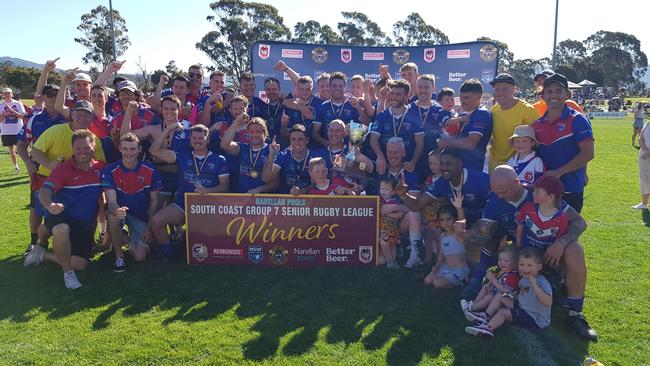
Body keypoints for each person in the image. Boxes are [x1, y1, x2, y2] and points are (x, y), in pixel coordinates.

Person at [462, 165, 597, 340]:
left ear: (517, 182)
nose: (499, 196)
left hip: (551, 256)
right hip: (524, 258)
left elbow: (579, 222)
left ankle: (575, 315)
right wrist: (463, 231)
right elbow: (483, 235)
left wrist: (561, 242)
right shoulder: (495, 201)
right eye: (495, 192)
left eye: (503, 191)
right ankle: (481, 282)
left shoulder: (539, 193)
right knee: (494, 233)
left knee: (575, 249)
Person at [24, 129, 105, 289]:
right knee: (61, 229)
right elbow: (44, 192)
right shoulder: (63, 169)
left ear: (94, 147)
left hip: (82, 224)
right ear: (72, 148)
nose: (82, 152)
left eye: (86, 148)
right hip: (61, 215)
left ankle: (42, 254)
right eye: (78, 148)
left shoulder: (101, 168)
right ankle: (68, 274)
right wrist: (50, 205)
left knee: (80, 264)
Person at [148, 124, 229, 262]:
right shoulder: (182, 156)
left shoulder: (219, 159)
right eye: (194, 138)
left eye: (201, 138)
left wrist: (208, 191)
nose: (197, 141)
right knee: (156, 221)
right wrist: (168, 130)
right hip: (184, 203)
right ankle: (168, 253)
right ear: (190, 139)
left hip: (208, 207)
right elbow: (154, 150)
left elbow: (225, 186)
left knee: (199, 244)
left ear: (208, 139)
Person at [531, 73, 594, 213]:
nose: (554, 95)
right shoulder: (535, 125)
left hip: (570, 189)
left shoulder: (578, 120)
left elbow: (588, 153)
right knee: (543, 232)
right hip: (544, 190)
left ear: (568, 94)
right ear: (543, 96)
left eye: (559, 91)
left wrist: (560, 172)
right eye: (549, 91)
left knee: (568, 232)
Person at [16, 85, 66, 254]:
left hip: (64, 173)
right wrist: (29, 163)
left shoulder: (67, 117)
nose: (53, 98)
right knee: (35, 208)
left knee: (59, 206)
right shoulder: (34, 119)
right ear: (43, 97)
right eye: (50, 95)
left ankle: (56, 239)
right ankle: (34, 242)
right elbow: (22, 144)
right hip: (40, 173)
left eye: (57, 95)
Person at [102, 133, 162, 271]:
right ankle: (119, 257)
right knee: (113, 216)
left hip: (141, 215)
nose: (129, 153)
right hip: (120, 212)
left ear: (139, 149)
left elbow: (154, 202)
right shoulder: (109, 170)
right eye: (125, 149)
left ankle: (121, 236)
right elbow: (111, 201)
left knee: (140, 257)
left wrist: (148, 227)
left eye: (132, 149)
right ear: (120, 149)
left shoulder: (150, 170)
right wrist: (117, 210)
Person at [464, 247, 552, 338]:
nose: (525, 269)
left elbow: (548, 302)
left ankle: (488, 328)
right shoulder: (523, 279)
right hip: (522, 306)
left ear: (539, 267)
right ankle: (485, 316)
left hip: (534, 317)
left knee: (503, 312)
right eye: (522, 265)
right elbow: (523, 296)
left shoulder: (541, 282)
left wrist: (535, 286)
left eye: (529, 265)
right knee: (500, 295)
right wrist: (510, 296)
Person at [377, 137, 425, 269]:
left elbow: (415, 205)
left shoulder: (411, 174)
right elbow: (360, 162)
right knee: (380, 261)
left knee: (414, 213)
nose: (392, 156)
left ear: (403, 153)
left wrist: (395, 207)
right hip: (381, 224)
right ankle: (397, 248)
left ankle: (416, 255)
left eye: (396, 152)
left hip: (400, 222)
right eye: (389, 152)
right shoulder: (380, 169)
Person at [370, 79, 424, 175]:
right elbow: (373, 139)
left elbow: (420, 143)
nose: (394, 97)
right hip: (386, 166)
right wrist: (380, 155)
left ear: (406, 96)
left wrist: (413, 162)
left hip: (407, 167)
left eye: (398, 94)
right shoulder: (382, 115)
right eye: (392, 93)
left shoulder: (414, 115)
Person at [437, 79, 492, 171]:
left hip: (471, 168)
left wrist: (445, 142)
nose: (462, 101)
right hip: (458, 168)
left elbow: (470, 143)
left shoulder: (481, 114)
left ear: (478, 96)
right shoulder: (465, 114)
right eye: (461, 97)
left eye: (466, 97)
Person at [488, 73, 540, 172]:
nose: (500, 93)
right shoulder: (493, 110)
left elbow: (539, 140)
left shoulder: (528, 110)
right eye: (497, 89)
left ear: (514, 90)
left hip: (519, 166)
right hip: (494, 164)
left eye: (504, 89)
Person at [220, 115, 278, 193]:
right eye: (251, 132)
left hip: (263, 200)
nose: (254, 135)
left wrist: (258, 190)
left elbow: (275, 183)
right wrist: (236, 121)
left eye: (258, 132)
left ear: (265, 133)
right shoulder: (242, 148)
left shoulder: (272, 150)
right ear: (247, 134)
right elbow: (224, 144)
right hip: (243, 198)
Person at [423, 193, 469, 288]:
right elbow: (440, 256)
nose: (446, 223)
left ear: (454, 219)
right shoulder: (442, 236)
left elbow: (462, 223)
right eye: (442, 220)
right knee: (427, 281)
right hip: (446, 268)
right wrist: (435, 268)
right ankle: (449, 280)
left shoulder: (458, 234)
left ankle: (461, 281)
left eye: (448, 219)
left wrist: (459, 208)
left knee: (437, 284)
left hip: (459, 269)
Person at [313, 72, 368, 147]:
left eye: (340, 86)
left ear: (345, 87)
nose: (337, 89)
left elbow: (367, 124)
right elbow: (315, 133)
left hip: (349, 151)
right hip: (329, 151)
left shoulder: (354, 104)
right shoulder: (323, 107)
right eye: (334, 86)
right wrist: (325, 143)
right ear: (329, 87)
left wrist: (358, 108)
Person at [461, 245, 519, 316]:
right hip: (495, 295)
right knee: (485, 287)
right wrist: (490, 284)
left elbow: (506, 292)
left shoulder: (512, 277)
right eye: (500, 259)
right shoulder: (502, 271)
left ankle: (472, 309)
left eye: (506, 260)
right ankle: (474, 303)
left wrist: (493, 280)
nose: (502, 262)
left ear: (515, 263)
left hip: (502, 302)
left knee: (489, 296)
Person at [516, 175, 568, 251]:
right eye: (534, 190)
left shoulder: (561, 219)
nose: (533, 193)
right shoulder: (528, 208)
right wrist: (518, 244)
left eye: (537, 191)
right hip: (525, 254)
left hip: (545, 257)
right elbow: (520, 226)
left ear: (551, 196)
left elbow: (559, 240)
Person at [262, 124, 313, 194]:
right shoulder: (283, 155)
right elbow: (266, 178)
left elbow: (317, 182)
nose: (296, 142)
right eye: (293, 139)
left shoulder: (314, 157)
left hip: (309, 200)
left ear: (306, 140)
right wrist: (271, 155)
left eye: (300, 139)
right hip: (285, 200)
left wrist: (303, 190)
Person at [378, 179, 409, 268]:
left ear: (393, 192)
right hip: (382, 228)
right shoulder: (378, 201)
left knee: (392, 244)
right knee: (383, 242)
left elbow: (399, 215)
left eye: (386, 189)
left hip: (393, 228)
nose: (383, 191)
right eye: (382, 189)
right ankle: (389, 260)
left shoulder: (396, 202)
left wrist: (388, 213)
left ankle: (393, 259)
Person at [0, 87, 26, 173]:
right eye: (5, 93)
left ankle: (30, 166)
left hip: (18, 130)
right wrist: (4, 115)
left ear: (12, 94)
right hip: (6, 131)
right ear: (3, 95)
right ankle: (16, 167)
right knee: (11, 150)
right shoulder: (1, 105)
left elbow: (23, 116)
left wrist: (12, 112)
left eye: (8, 93)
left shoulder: (18, 104)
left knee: (23, 150)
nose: (7, 94)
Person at [633, 117, 650, 209]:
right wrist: (645, 150)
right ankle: (644, 203)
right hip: (643, 155)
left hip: (647, 154)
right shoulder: (648, 123)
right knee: (644, 178)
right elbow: (640, 138)